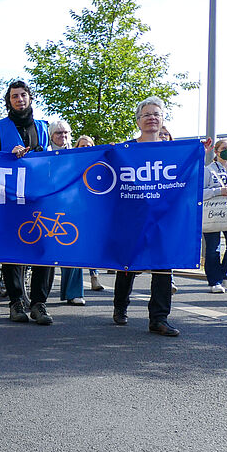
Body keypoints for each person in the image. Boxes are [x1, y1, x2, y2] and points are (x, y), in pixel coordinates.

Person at [0, 81, 54, 325]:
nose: (19, 99)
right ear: (9, 101)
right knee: (11, 249)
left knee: (44, 248)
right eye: (14, 96)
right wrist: (7, 157)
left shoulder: (43, 127)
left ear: (30, 98)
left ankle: (39, 303)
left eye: (23, 95)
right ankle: (15, 302)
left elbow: (53, 161)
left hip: (38, 197)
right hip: (8, 198)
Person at [111, 97, 179, 336]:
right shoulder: (125, 150)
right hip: (132, 219)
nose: (152, 118)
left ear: (162, 120)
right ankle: (120, 306)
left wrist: (199, 152)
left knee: (163, 265)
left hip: (161, 220)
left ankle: (159, 318)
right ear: (138, 121)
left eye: (156, 114)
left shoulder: (171, 152)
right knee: (128, 265)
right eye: (146, 114)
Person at [49, 120, 85, 307]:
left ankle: (74, 292)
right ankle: (39, 294)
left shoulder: (77, 155)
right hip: (48, 205)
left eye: (66, 133)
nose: (63, 136)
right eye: (58, 133)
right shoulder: (44, 153)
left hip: (72, 206)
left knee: (72, 247)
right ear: (51, 136)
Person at [202, 139, 227, 293]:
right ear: (216, 152)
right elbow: (198, 192)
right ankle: (214, 281)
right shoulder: (208, 170)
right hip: (212, 213)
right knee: (213, 248)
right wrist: (218, 191)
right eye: (223, 148)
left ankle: (225, 275)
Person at [74, 135, 104, 291]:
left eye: (89, 145)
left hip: (92, 209)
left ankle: (94, 277)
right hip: (76, 209)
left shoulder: (99, 164)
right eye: (82, 146)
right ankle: (74, 285)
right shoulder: (72, 163)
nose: (86, 148)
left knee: (92, 244)